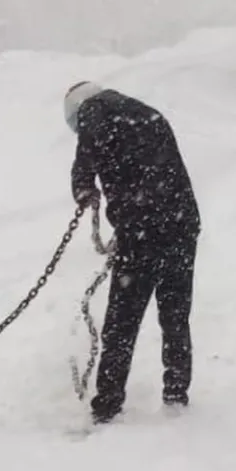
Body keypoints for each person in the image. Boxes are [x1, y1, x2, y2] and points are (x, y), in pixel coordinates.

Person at [64, 81, 201, 424]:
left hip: (142, 234)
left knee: (121, 325)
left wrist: (83, 189)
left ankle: (107, 406)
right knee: (175, 316)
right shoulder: (148, 114)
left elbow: (84, 165)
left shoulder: (94, 113)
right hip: (182, 226)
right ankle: (176, 395)